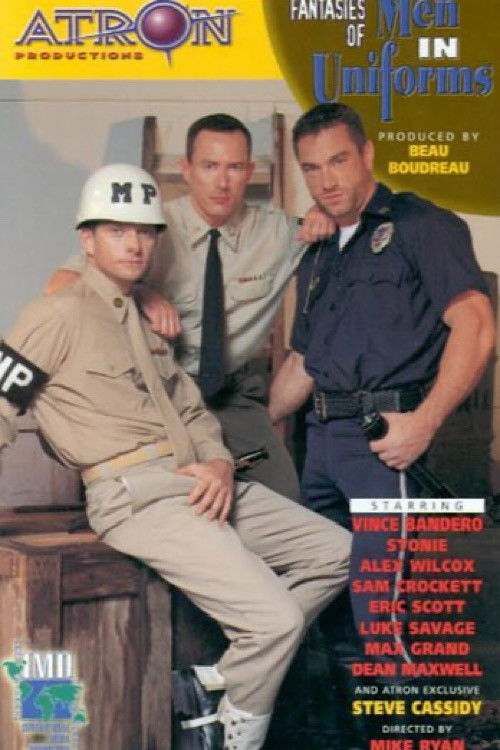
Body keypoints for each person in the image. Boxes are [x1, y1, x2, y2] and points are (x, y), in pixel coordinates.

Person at [0, 164, 351, 750]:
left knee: (336, 551)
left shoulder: (144, 320)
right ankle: (229, 736)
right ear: (87, 239)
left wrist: (218, 462)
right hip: (134, 496)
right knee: (276, 620)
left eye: (144, 231)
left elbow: (193, 411)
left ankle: (214, 682)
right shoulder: (54, 317)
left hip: (198, 481)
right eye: (117, 230)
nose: (134, 244)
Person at [269, 103, 496, 748]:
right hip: (320, 448)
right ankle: (362, 735)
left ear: (368, 155)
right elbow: (303, 364)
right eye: (312, 168)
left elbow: (477, 324)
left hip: (383, 444)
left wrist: (424, 422)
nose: (327, 179)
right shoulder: (319, 252)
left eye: (339, 160)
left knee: (381, 612)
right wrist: (242, 433)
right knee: (330, 606)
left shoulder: (423, 226)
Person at [45, 113, 334, 501]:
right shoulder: (149, 225)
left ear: (249, 172)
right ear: (186, 169)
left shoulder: (280, 233)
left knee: (287, 501)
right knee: (169, 504)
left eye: (234, 167)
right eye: (209, 166)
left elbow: (346, 229)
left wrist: (325, 213)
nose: (221, 182)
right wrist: (140, 293)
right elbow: (59, 286)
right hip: (155, 391)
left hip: (231, 395)